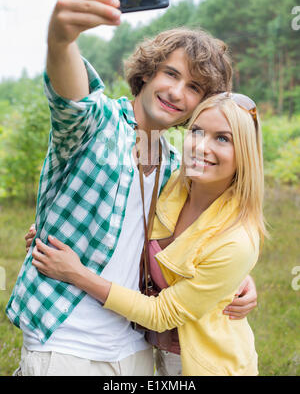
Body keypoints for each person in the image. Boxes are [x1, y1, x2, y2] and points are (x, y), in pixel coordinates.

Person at [6, 0, 257, 377]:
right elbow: (72, 97)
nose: (176, 92)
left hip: (135, 347)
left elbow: (204, 235)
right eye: (170, 74)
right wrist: (61, 38)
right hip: (65, 342)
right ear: (147, 73)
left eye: (193, 87)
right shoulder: (96, 125)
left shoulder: (178, 167)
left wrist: (238, 278)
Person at [30, 91, 265, 376]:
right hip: (159, 352)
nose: (202, 147)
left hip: (208, 364)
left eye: (223, 139)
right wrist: (56, 229)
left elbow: (161, 314)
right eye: (197, 132)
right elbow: (124, 219)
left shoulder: (237, 239)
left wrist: (76, 274)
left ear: (245, 154)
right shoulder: (172, 184)